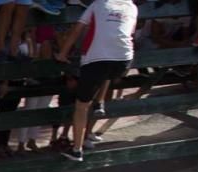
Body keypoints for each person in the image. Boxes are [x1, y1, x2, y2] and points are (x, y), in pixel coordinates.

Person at [55, 0, 137, 161]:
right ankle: (99, 101)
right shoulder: (132, 7)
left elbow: (77, 30)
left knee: (81, 106)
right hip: (124, 60)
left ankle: (77, 150)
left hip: (97, 59)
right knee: (106, 74)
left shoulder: (97, 5)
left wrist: (63, 53)